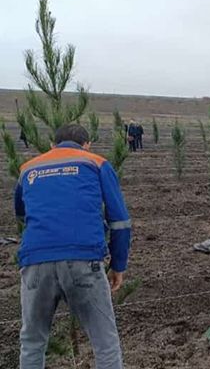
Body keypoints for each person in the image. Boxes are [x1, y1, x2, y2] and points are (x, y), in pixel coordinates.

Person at [14, 124, 131, 369]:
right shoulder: (96, 163)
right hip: (83, 260)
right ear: (86, 145)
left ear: (52, 145)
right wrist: (117, 265)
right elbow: (119, 222)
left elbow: (22, 214)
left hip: (35, 261)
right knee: (105, 342)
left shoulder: (28, 168)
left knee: (32, 342)